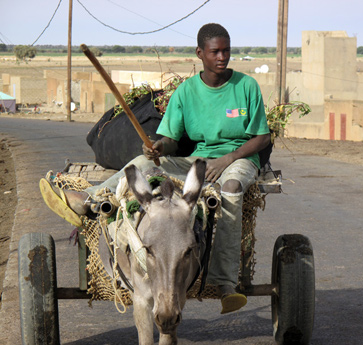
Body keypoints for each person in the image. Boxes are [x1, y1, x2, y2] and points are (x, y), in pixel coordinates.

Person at [40, 23, 271, 314]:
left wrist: (228, 159)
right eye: (215, 52)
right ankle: (90, 198)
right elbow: (173, 139)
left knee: (231, 188)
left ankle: (225, 282)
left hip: (238, 160)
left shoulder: (246, 86)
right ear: (200, 53)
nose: (222, 57)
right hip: (198, 159)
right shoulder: (187, 92)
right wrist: (160, 147)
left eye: (226, 50)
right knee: (143, 163)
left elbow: (263, 137)